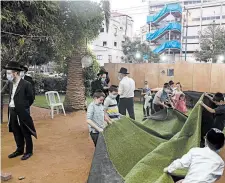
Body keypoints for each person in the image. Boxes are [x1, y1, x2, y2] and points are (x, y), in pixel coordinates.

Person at [3, 61, 37, 160]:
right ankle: (19, 149)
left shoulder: (26, 84)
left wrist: (24, 108)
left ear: (16, 73)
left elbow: (31, 98)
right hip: (12, 110)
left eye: (9, 73)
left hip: (22, 111)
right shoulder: (10, 84)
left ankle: (29, 151)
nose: (7, 75)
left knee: (25, 131)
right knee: (16, 131)